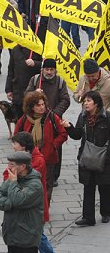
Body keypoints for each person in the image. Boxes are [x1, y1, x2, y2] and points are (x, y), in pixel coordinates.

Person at [62, 90, 110, 225]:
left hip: (104, 158)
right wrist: (69, 127)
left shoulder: (107, 117)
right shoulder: (82, 117)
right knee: (88, 187)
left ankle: (106, 213)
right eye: (84, 101)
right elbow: (77, 135)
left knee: (105, 187)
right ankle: (88, 217)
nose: (85, 103)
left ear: (96, 103)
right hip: (87, 156)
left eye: (88, 101)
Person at [25, 58, 71, 187]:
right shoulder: (35, 80)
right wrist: (34, 94)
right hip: (36, 119)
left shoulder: (60, 82)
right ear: (42, 69)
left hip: (53, 120)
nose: (49, 72)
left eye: (51, 70)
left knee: (55, 146)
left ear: (55, 70)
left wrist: (54, 114)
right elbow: (26, 95)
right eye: (47, 69)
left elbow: (65, 100)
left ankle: (54, 175)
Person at [4, 132, 53, 252]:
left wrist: (13, 180)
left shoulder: (38, 160)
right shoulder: (18, 159)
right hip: (21, 201)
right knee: (37, 235)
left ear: (23, 146)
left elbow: (19, 177)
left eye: (15, 143)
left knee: (38, 235)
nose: (13, 146)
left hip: (32, 202)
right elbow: (7, 175)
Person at [14, 91, 67, 202]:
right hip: (29, 158)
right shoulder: (25, 119)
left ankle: (44, 209)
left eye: (43, 104)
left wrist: (53, 145)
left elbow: (63, 134)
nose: (42, 107)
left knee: (47, 186)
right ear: (31, 107)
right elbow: (16, 136)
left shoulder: (51, 116)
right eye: (38, 105)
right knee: (30, 184)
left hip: (48, 157)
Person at [0, 151, 44, 253]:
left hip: (26, 237)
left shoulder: (35, 185)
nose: (8, 168)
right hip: (11, 235)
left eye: (12, 165)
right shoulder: (13, 179)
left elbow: (18, 200)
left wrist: (13, 183)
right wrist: (11, 203)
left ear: (23, 166)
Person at [5, 44, 42, 119]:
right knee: (19, 118)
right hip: (17, 90)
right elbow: (11, 69)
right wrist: (8, 89)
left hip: (32, 89)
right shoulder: (15, 49)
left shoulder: (37, 48)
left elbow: (45, 65)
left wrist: (35, 63)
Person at [0, 0, 18, 78]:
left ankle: (13, 69)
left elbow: (15, 5)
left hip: (8, 27)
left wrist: (6, 6)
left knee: (12, 50)